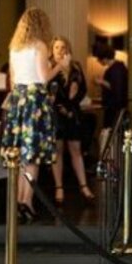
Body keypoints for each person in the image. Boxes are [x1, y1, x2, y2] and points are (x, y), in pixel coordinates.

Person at [0, 7, 58, 223]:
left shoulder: (15, 48)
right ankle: (27, 200)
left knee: (19, 155)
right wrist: (59, 65)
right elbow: (43, 77)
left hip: (18, 100)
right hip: (35, 101)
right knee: (33, 154)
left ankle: (17, 201)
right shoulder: (39, 46)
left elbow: (13, 80)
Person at [47, 36, 93, 205]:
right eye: (56, 47)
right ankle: (59, 188)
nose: (60, 50)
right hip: (56, 114)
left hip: (73, 113)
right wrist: (61, 104)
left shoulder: (75, 66)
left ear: (68, 49)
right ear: (52, 50)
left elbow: (83, 89)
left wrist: (72, 102)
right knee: (57, 151)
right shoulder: (49, 67)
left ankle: (84, 186)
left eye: (63, 47)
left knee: (76, 150)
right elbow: (49, 91)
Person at [94, 40, 129, 147]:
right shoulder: (120, 67)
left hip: (114, 109)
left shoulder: (115, 69)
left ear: (104, 58)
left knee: (110, 136)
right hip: (117, 108)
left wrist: (102, 82)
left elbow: (116, 88)